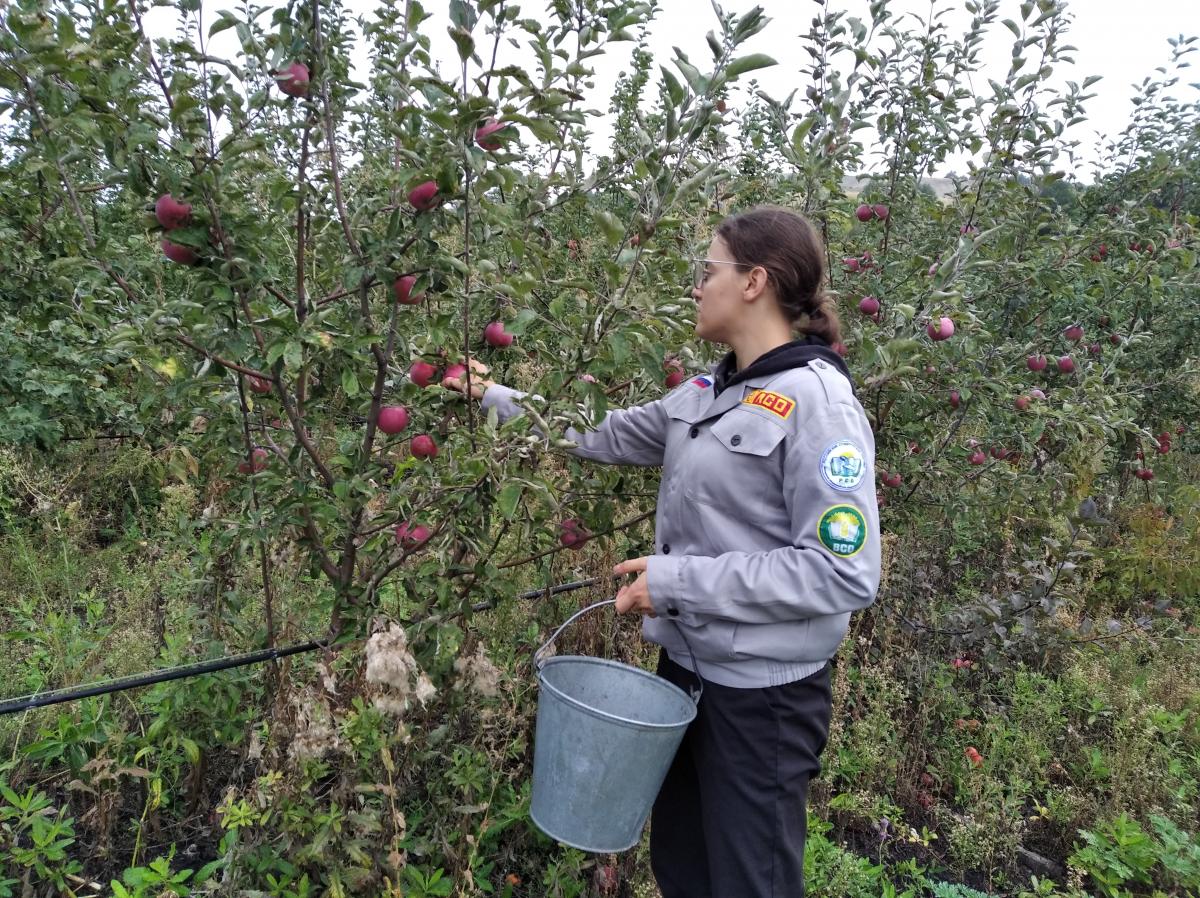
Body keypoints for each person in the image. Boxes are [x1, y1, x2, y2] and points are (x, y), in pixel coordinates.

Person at [444, 205, 881, 898]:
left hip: (763, 701)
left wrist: (679, 582)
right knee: (683, 868)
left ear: (753, 283)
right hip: (684, 675)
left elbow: (843, 570)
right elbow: (605, 434)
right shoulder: (711, 391)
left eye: (708, 271)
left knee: (750, 881)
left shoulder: (817, 403)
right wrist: (492, 395)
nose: (696, 287)